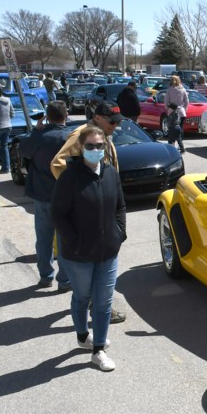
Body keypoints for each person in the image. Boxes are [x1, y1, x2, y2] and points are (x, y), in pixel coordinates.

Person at [52, 125, 127, 372]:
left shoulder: (110, 174)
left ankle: (99, 351)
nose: (96, 150)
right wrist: (73, 243)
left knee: (103, 302)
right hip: (79, 255)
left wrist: (119, 233)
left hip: (108, 251)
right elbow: (59, 216)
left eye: (100, 145)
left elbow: (120, 206)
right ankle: (83, 336)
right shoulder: (69, 178)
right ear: (81, 148)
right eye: (91, 146)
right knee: (82, 297)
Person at [19, 100, 72, 291]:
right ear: (66, 115)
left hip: (42, 195)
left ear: (47, 116)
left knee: (44, 238)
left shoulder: (40, 136)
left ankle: (45, 276)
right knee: (64, 239)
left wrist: (36, 130)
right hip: (65, 196)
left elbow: (23, 149)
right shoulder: (70, 137)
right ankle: (65, 280)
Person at [163, 75, 189, 153]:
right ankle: (180, 145)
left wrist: (168, 109)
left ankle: (172, 146)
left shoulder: (169, 90)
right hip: (181, 112)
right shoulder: (183, 89)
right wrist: (184, 109)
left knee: (171, 130)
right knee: (179, 130)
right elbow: (187, 102)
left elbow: (166, 101)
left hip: (172, 112)